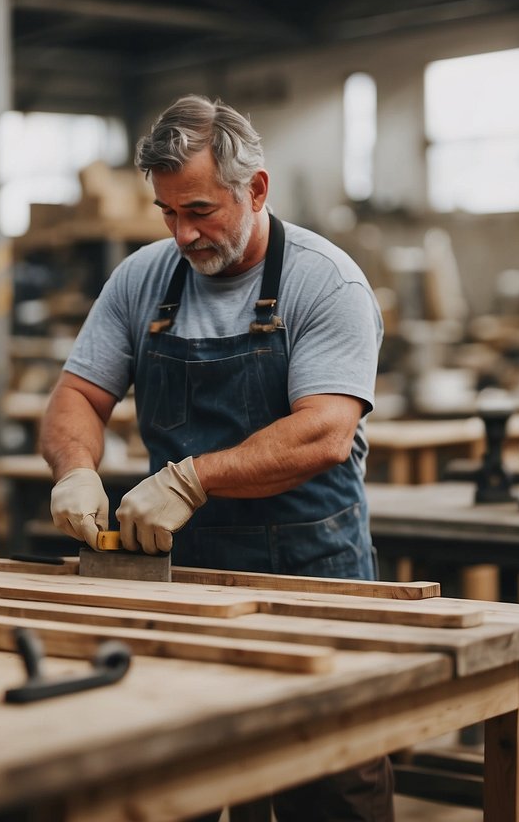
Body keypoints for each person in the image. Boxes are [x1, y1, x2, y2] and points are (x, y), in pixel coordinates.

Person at [39, 95, 391, 821]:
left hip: (310, 584)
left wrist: (192, 477)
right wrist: (75, 467)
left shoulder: (324, 282)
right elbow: (76, 396)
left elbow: (323, 431)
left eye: (199, 210)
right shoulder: (142, 279)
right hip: (182, 582)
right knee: (180, 783)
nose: (184, 233)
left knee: (326, 785)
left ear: (255, 189)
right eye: (167, 213)